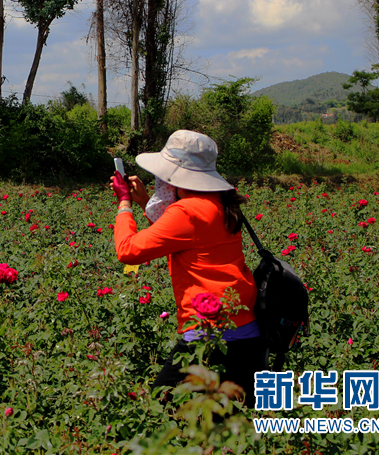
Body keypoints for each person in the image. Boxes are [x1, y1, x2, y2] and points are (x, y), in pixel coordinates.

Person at [110, 130, 265, 403]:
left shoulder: (186, 211)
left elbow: (128, 251)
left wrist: (124, 205)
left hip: (208, 335)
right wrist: (145, 202)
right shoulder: (219, 203)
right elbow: (180, 237)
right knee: (234, 427)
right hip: (247, 332)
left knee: (161, 409)